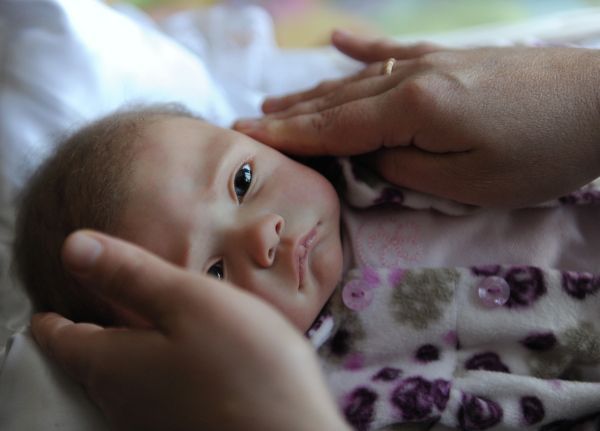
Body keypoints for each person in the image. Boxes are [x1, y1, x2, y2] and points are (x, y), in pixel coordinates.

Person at [29, 31, 600, 430]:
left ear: (259, 137)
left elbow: (518, 88)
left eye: (243, 180)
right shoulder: (330, 397)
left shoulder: (396, 142)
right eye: (215, 273)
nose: (262, 235)